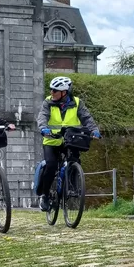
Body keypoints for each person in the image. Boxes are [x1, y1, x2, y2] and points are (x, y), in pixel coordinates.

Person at [36, 76, 101, 211]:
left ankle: (72, 185)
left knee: (75, 160)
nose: (51, 93)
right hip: (51, 140)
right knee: (51, 165)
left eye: (55, 91)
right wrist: (43, 128)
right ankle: (45, 195)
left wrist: (94, 130)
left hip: (70, 140)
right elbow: (42, 116)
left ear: (64, 92)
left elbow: (86, 118)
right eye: (51, 90)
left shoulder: (77, 103)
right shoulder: (48, 102)